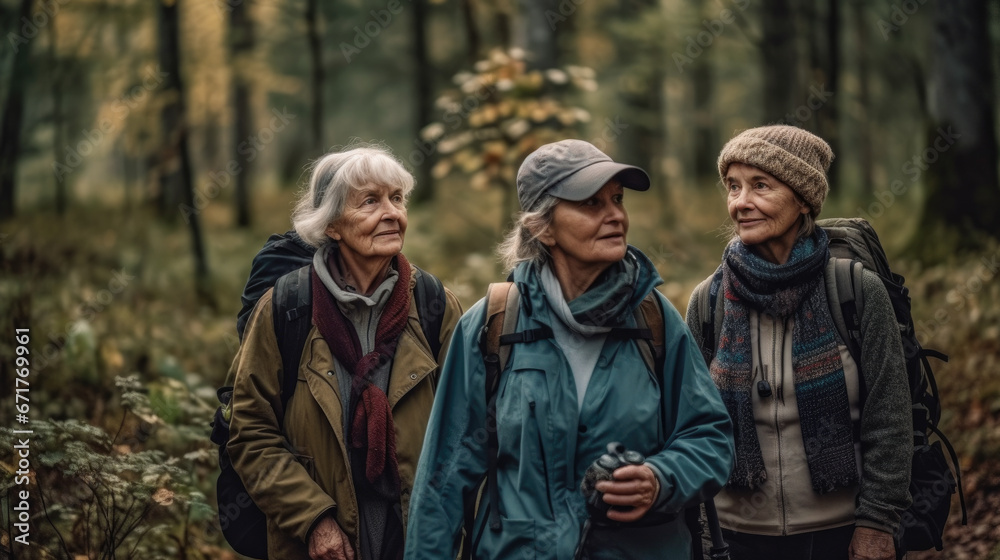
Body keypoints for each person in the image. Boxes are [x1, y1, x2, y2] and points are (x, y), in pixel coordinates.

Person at [405, 139, 734, 560]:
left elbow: (710, 437)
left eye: (617, 200)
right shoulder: (494, 324)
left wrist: (660, 477)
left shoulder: (654, 320)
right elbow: (443, 479)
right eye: (591, 203)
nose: (615, 215)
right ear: (542, 226)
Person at [686, 125, 912, 560]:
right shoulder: (709, 300)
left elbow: (890, 417)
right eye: (732, 186)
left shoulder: (853, 291)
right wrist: (701, 528)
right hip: (736, 535)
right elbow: (690, 425)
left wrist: (877, 524)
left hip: (839, 535)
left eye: (760, 185)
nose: (740, 203)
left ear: (803, 198)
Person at [227, 145, 463, 560]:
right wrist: (314, 520)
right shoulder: (286, 307)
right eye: (370, 201)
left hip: (416, 541)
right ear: (332, 225)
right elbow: (250, 431)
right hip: (316, 547)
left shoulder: (433, 304)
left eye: (397, 198)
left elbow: (468, 428)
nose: (391, 212)